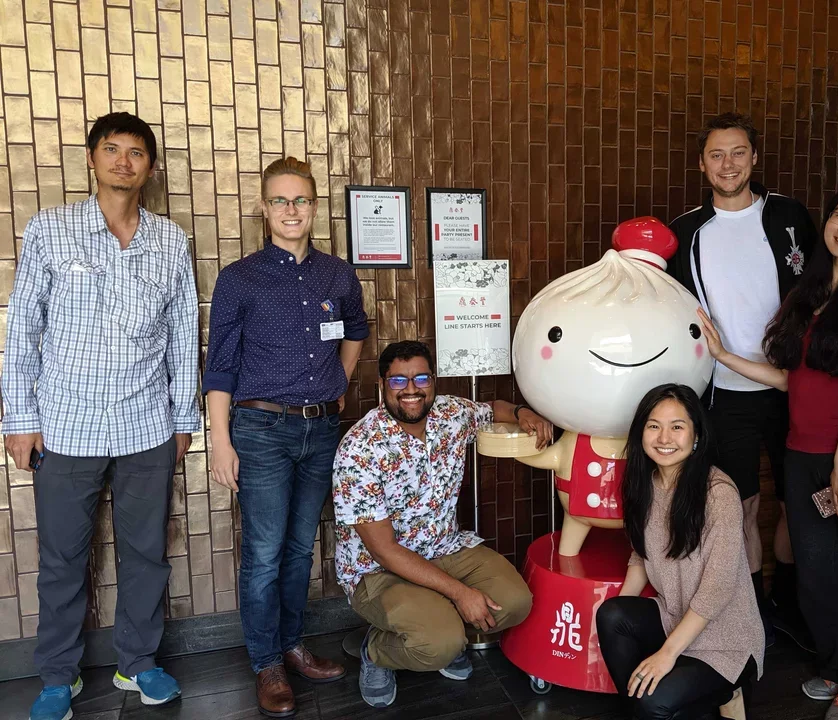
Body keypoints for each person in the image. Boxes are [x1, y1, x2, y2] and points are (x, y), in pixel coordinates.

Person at [1, 112, 199, 720]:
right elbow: (23, 328)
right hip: (65, 425)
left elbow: (184, 334)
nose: (123, 161)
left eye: (135, 152)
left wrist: (183, 416)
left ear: (149, 166)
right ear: (92, 159)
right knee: (62, 558)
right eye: (111, 149)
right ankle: (58, 676)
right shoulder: (51, 231)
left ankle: (136, 662)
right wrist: (18, 418)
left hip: (147, 425)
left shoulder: (170, 240)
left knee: (147, 555)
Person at [699, 181, 838, 720]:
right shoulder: (809, 292)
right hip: (804, 455)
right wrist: (723, 355)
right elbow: (793, 380)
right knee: (814, 574)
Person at [203, 157, 365, 717]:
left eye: (301, 200)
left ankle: (293, 645)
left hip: (320, 429)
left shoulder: (337, 274)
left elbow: (355, 334)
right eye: (280, 200)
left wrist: (337, 384)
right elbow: (220, 366)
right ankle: (266, 662)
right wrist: (220, 440)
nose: (291, 210)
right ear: (264, 208)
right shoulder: (239, 278)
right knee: (266, 553)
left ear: (315, 206)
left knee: (301, 548)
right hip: (260, 429)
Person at [332, 341, 551, 708]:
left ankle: (437, 624)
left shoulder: (450, 413)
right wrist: (460, 593)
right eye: (398, 381)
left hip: (444, 547)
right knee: (437, 643)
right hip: (378, 570)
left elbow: (492, 409)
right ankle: (378, 651)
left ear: (432, 380)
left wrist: (521, 411)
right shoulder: (359, 449)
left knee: (515, 603)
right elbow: (384, 551)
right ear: (382, 385)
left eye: (421, 378)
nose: (412, 389)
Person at [668, 112, 818, 649]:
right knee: (743, 505)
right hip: (722, 394)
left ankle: (795, 602)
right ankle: (754, 610)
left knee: (803, 500)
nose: (727, 164)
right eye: (716, 154)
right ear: (702, 163)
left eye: (737, 153)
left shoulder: (790, 216)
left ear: (754, 159)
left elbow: (820, 292)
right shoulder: (685, 232)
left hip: (792, 388)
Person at [596, 384, 764, 720]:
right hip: (674, 616)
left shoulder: (718, 493)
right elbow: (640, 555)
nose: (664, 438)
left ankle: (717, 692)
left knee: (654, 701)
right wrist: (620, 612)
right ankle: (647, 706)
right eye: (654, 426)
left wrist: (667, 654)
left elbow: (717, 589)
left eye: (677, 427)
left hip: (725, 638)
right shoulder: (644, 482)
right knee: (611, 615)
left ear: (696, 436)